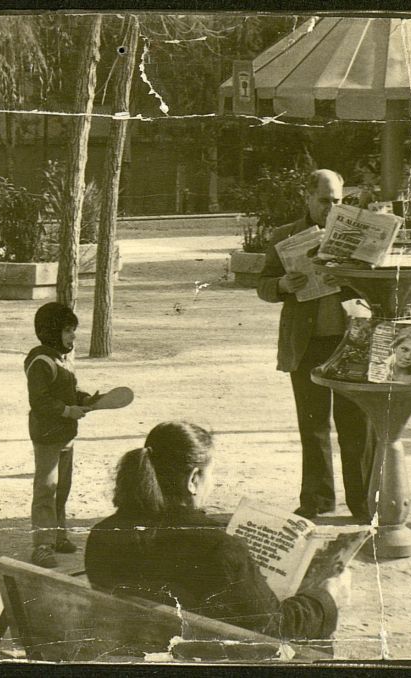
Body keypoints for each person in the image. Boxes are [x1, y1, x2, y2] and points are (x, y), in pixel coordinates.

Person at [85, 421, 348, 640]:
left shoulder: (103, 534)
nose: (214, 482)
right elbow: (276, 628)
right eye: (212, 473)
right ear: (193, 480)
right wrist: (326, 598)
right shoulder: (218, 549)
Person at [258, 169, 372, 523]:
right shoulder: (285, 236)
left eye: (338, 200)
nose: (332, 207)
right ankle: (318, 500)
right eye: (325, 200)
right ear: (307, 198)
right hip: (306, 344)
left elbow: (380, 285)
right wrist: (282, 285)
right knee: (313, 426)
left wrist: (353, 277)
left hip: (349, 342)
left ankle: (362, 502)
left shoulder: (356, 236)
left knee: (356, 427)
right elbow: (263, 285)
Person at [24, 302, 99, 568]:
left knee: (62, 488)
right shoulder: (41, 362)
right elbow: (40, 402)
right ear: (52, 332)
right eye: (68, 331)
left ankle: (57, 535)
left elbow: (68, 392)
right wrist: (68, 411)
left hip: (66, 435)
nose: (73, 336)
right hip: (47, 435)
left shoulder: (62, 359)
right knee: (46, 489)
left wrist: (85, 398)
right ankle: (41, 545)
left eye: (73, 331)